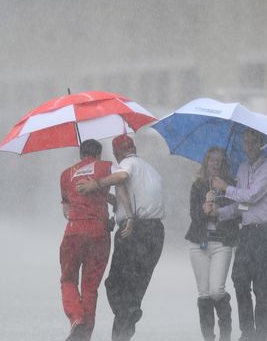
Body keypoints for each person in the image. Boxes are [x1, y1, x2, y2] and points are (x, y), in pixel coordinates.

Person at [77, 134, 165, 341]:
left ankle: (127, 314)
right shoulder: (151, 169)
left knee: (114, 284)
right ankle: (123, 331)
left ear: (117, 153)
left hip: (134, 231)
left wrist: (96, 184)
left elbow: (122, 177)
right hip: (156, 233)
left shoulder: (126, 164)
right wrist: (112, 202)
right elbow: (136, 197)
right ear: (134, 147)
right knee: (134, 291)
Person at [205, 128, 267, 341]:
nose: (248, 146)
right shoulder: (242, 168)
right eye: (245, 142)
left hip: (266, 231)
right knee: (239, 279)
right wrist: (218, 213)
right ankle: (247, 332)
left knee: (260, 283)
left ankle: (261, 334)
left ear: (261, 143)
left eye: (253, 141)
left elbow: (251, 195)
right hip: (247, 231)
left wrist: (225, 186)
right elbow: (240, 206)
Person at [58, 139, 115, 341]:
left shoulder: (66, 174)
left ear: (81, 154)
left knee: (68, 278)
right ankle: (85, 336)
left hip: (74, 231)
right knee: (90, 288)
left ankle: (77, 320)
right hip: (100, 232)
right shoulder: (107, 167)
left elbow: (66, 211)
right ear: (99, 154)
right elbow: (121, 184)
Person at [185, 147, 239, 341]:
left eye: (219, 160)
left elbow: (238, 213)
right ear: (206, 161)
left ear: (224, 163)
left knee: (217, 290)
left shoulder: (231, 185)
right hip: (199, 243)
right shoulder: (198, 185)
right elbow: (194, 216)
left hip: (222, 243)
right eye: (212, 159)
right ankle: (208, 336)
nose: (215, 163)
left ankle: (226, 333)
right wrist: (204, 208)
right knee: (205, 293)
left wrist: (219, 208)